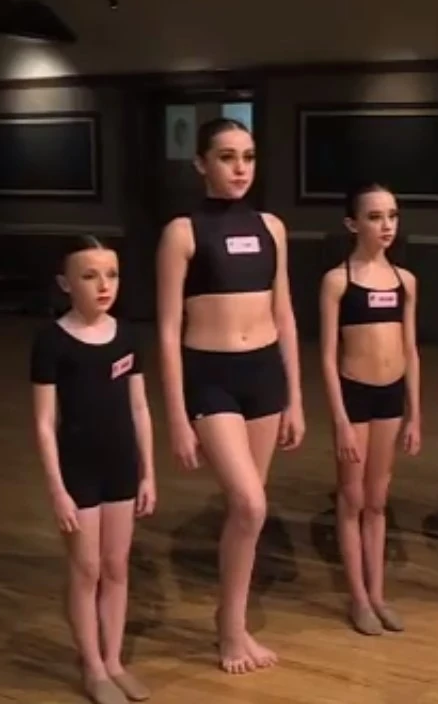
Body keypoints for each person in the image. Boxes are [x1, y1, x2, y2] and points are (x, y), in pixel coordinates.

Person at [156, 117, 305, 674]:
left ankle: (232, 620)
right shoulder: (182, 232)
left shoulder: (272, 227)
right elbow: (167, 329)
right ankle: (230, 627)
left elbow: (285, 315)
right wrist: (176, 415)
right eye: (226, 157)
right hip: (210, 375)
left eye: (248, 156)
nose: (240, 168)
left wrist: (295, 397)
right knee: (249, 503)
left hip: (263, 374)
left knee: (249, 510)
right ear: (201, 163)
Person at [31, 236, 155, 704]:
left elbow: (140, 408)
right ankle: (93, 666)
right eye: (89, 276)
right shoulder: (51, 341)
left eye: (112, 274)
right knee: (86, 569)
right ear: (66, 283)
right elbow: (44, 423)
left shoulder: (127, 335)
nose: (104, 285)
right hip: (78, 468)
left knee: (116, 566)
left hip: (121, 465)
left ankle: (115, 660)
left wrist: (148, 472)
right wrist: (57, 489)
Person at [318, 183, 422, 635]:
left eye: (392, 216)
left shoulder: (405, 281)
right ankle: (358, 597)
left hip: (390, 396)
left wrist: (415, 412)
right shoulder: (338, 281)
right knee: (352, 498)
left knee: (377, 500)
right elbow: (327, 356)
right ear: (352, 223)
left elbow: (411, 349)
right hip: (355, 394)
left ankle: (378, 593)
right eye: (375, 217)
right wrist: (340, 419)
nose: (386, 225)